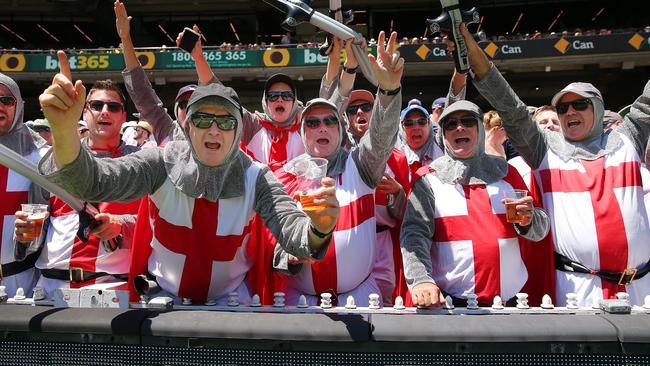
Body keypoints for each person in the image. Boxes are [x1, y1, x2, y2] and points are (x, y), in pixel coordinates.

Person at [37, 52, 339, 305]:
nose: (213, 130)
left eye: (225, 121)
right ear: (188, 125)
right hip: (162, 300)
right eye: (203, 118)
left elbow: (295, 235)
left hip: (232, 302)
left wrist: (320, 229)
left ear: (237, 131)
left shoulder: (255, 175)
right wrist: (64, 133)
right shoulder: (160, 161)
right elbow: (94, 183)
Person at [457, 22, 650, 306]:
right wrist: (472, 53)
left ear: (597, 109)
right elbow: (509, 105)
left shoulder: (627, 137)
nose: (569, 111)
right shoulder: (543, 148)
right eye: (562, 108)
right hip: (576, 288)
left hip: (641, 286)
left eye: (580, 105)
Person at [275, 31, 404, 307]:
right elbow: (265, 238)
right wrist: (286, 255)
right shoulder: (283, 177)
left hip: (360, 298)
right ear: (302, 133)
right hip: (299, 302)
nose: (322, 127)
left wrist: (389, 92)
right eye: (312, 123)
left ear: (340, 130)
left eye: (329, 121)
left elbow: (381, 136)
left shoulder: (361, 164)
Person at [401, 100, 551, 307]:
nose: (459, 127)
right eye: (451, 124)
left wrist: (530, 220)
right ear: (443, 134)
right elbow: (414, 235)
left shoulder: (508, 173)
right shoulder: (428, 178)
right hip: (454, 304)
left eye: (467, 121)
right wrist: (420, 280)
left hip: (511, 300)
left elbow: (541, 229)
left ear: (480, 129)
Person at [15, 73, 141, 298]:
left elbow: (153, 225)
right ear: (85, 112)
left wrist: (122, 226)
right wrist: (26, 236)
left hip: (111, 285)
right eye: (96, 105)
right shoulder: (53, 159)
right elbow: (37, 222)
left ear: (123, 116)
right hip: (51, 286)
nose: (104, 111)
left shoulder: (140, 163)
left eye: (113, 107)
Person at [320, 37, 410, 305]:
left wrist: (397, 194)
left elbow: (409, 212)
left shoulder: (397, 156)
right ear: (345, 118)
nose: (359, 112)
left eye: (367, 107)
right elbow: (326, 108)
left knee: (385, 306)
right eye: (353, 109)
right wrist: (344, 65)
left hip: (384, 242)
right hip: (347, 239)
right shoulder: (341, 154)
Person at [115, 1, 194, 146]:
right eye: (183, 104)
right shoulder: (166, 129)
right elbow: (141, 91)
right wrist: (125, 38)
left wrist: (199, 58)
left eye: (194, 104)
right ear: (176, 110)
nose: (188, 109)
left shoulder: (217, 136)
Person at [0, 73, 48, 298]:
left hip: (21, 280)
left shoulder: (40, 157)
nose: (0, 106)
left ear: (18, 106)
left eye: (6, 100)